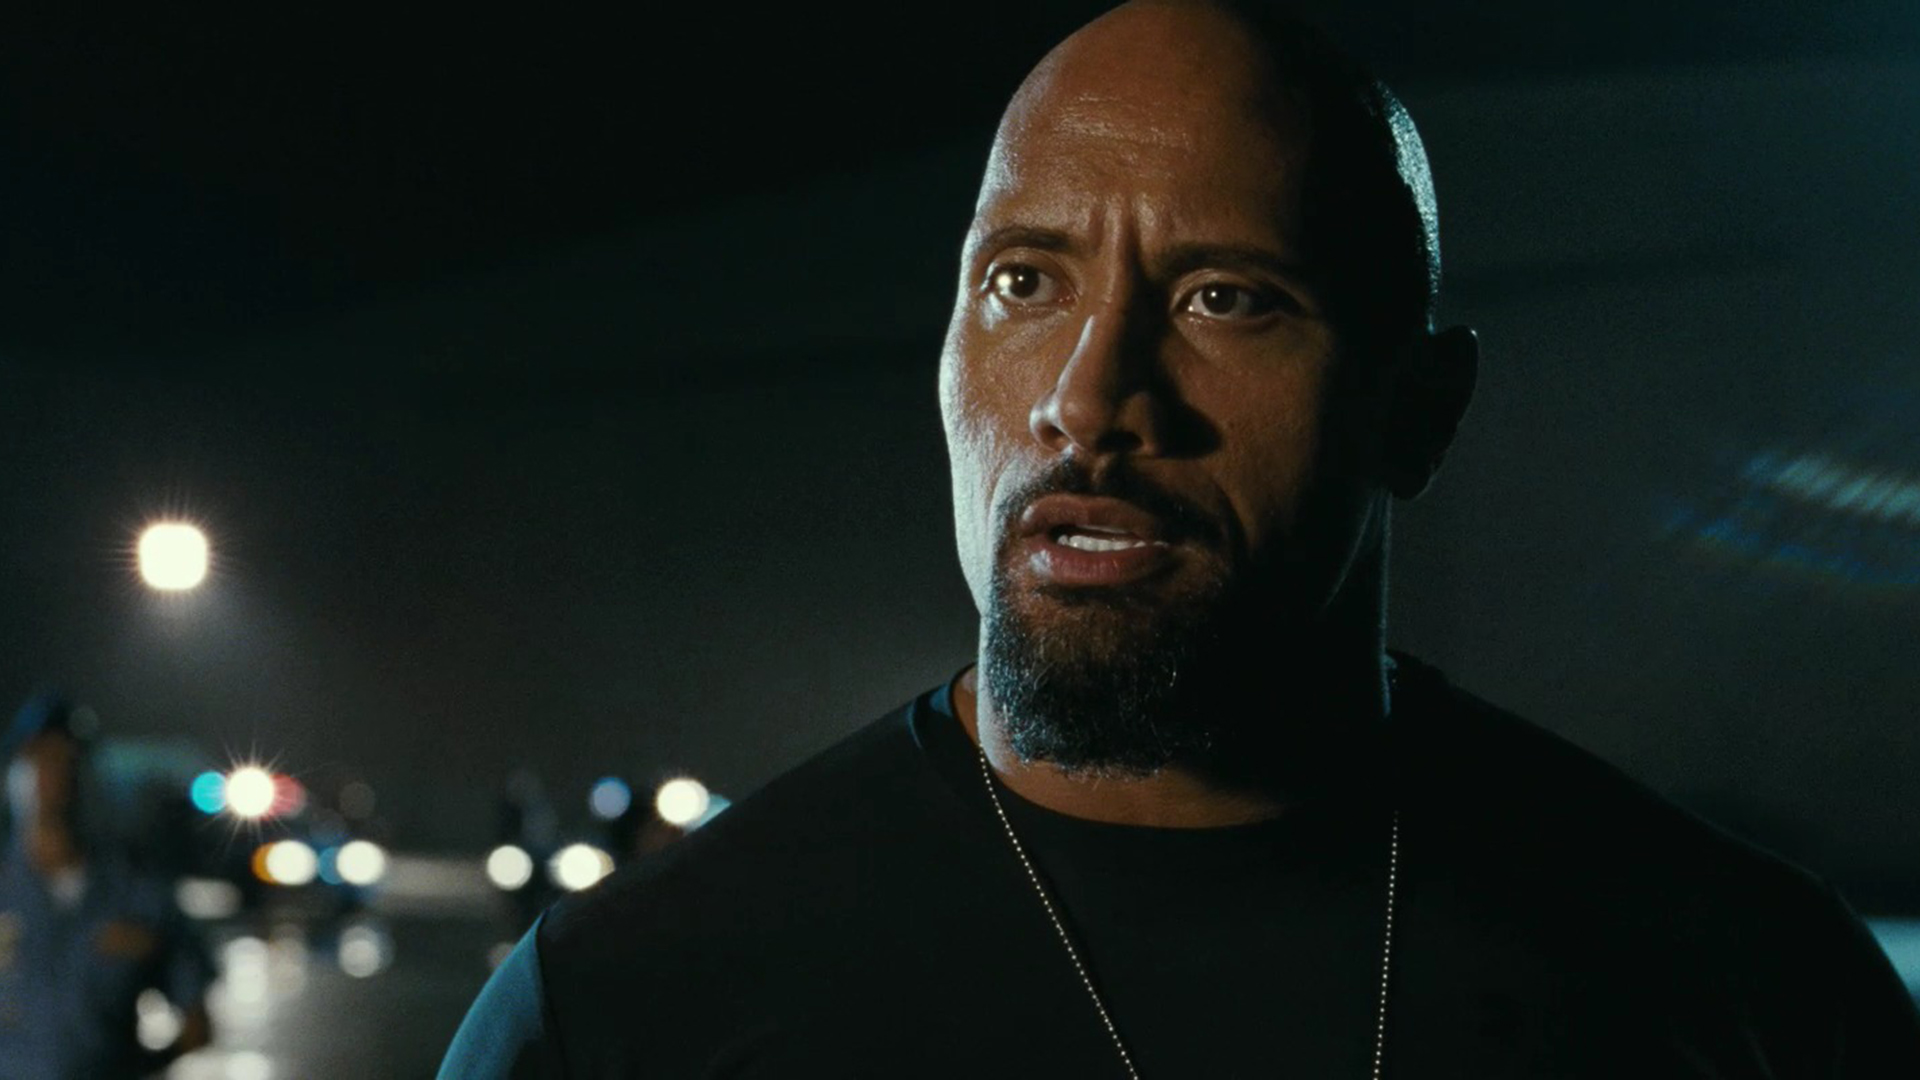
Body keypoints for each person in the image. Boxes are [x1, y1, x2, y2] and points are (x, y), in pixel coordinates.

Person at [441, 2, 1920, 1075]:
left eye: (1227, 299)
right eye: (1025, 283)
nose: (1090, 401)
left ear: (1419, 411)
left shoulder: (1751, 991)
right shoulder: (623, 1013)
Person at [0, 694, 216, 1078]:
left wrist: (130, 1068)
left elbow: (197, 1022)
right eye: (41, 758)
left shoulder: (137, 894)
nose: (55, 775)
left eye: (69, 760)